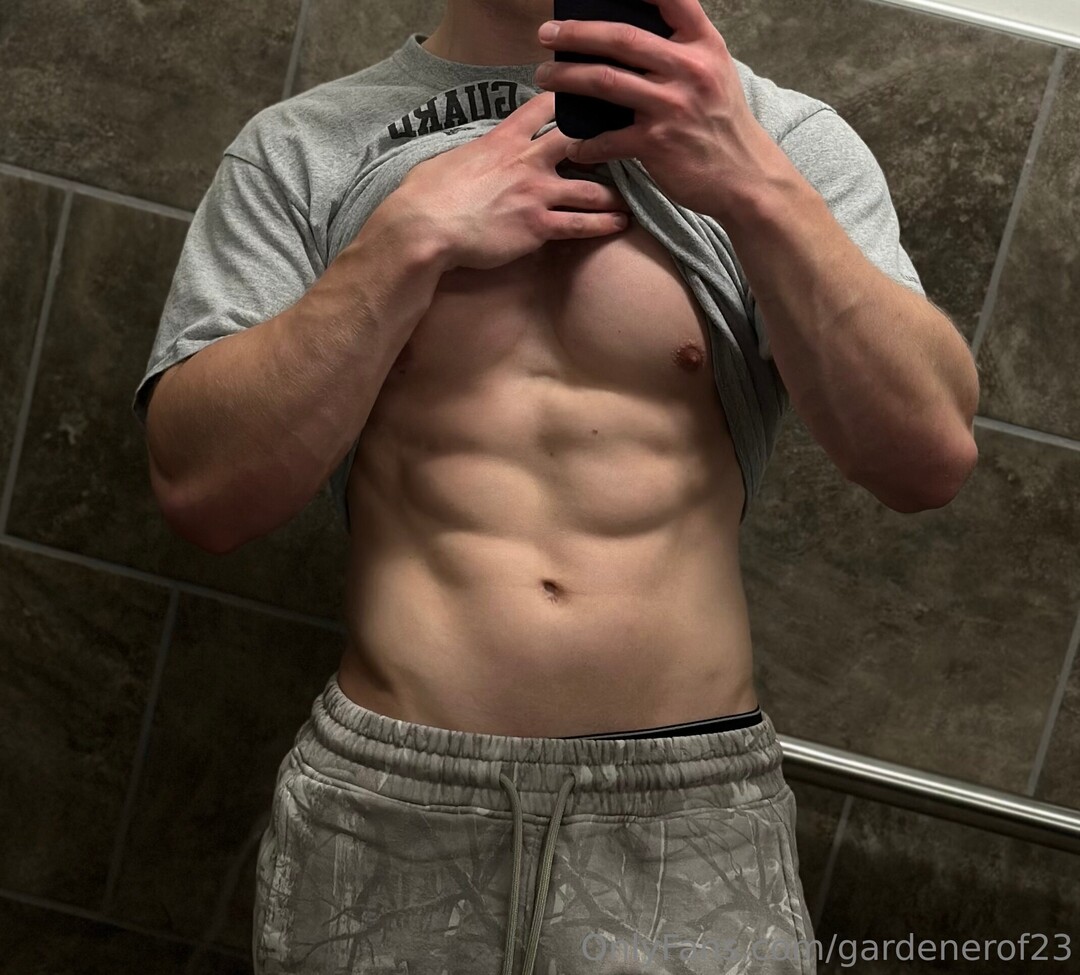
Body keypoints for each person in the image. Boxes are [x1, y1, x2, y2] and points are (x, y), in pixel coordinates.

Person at [132, 1, 980, 971]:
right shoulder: (302, 148)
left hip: (686, 815)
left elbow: (926, 458)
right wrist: (405, 243)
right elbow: (204, 495)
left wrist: (754, 186)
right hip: (392, 798)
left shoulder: (784, 141)